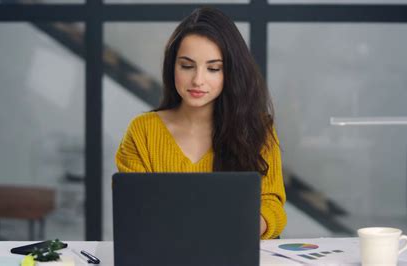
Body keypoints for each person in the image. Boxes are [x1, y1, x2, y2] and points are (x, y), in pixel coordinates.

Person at [115, 6, 286, 239]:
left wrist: (240, 228)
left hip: (232, 252)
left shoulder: (257, 129)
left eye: (213, 68)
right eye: (187, 66)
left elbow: (272, 204)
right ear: (171, 66)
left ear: (231, 73)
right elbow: (132, 209)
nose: (198, 80)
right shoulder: (142, 130)